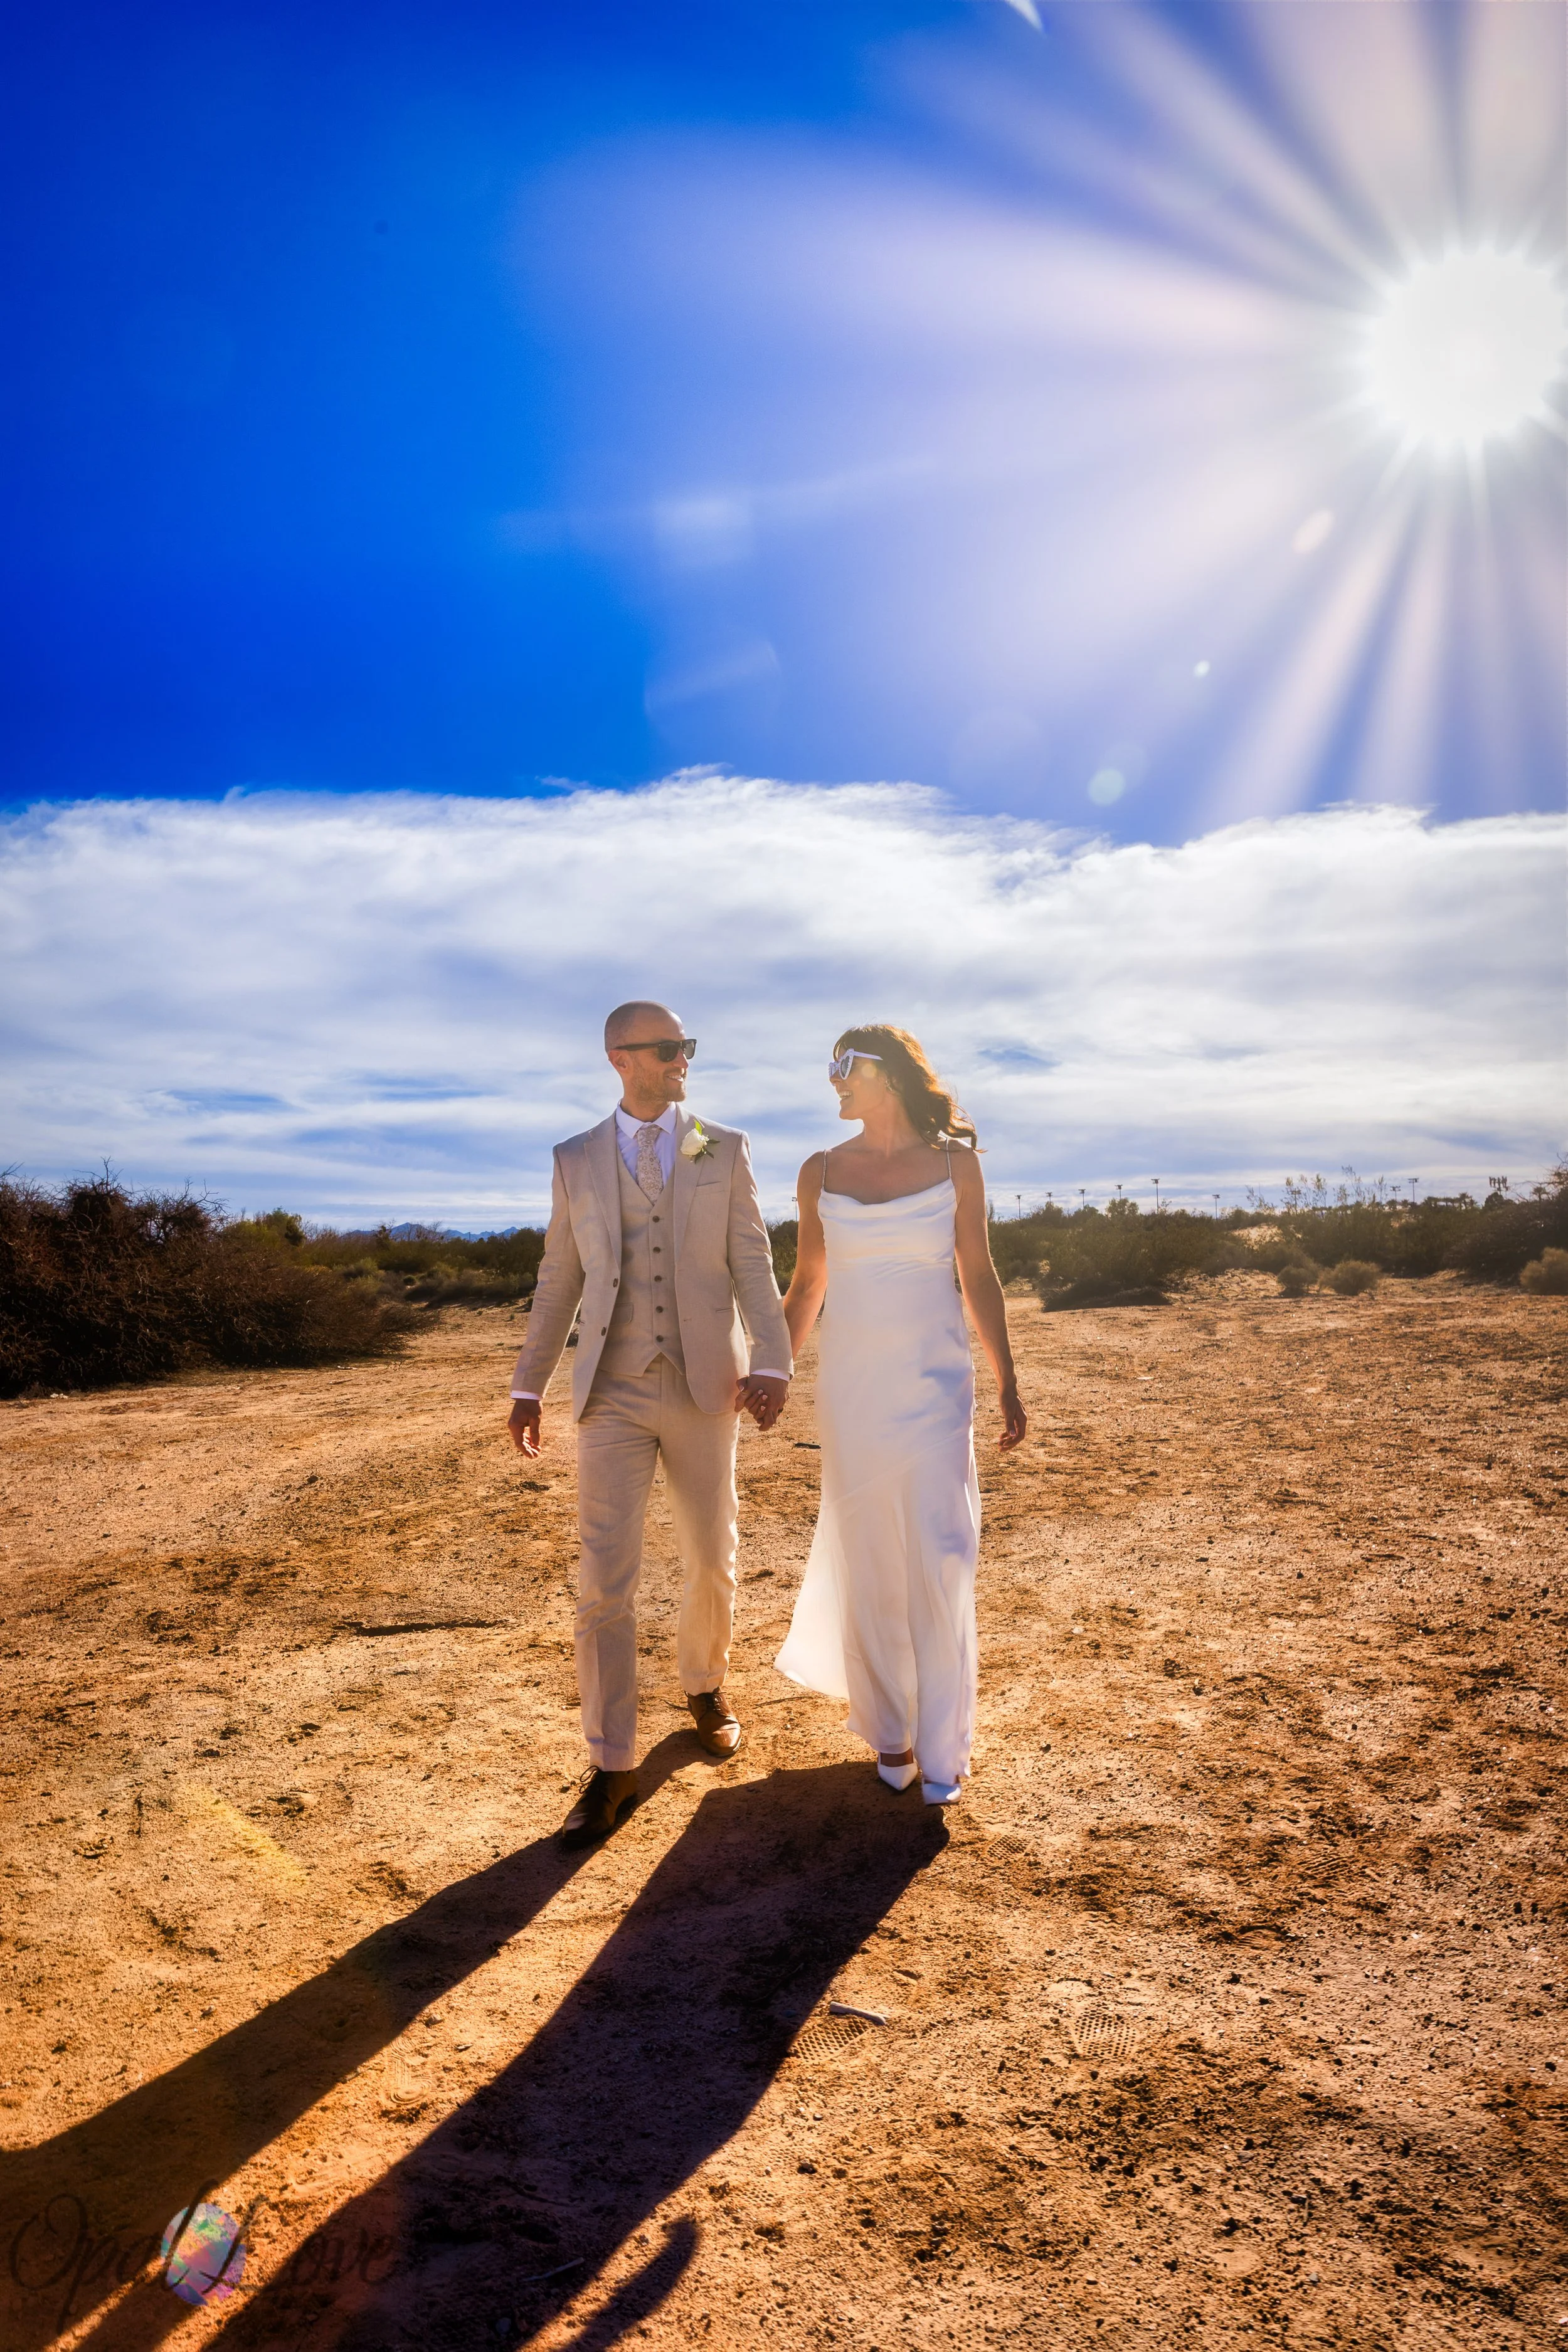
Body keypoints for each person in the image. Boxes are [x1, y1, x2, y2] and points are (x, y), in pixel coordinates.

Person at [508, 1002, 792, 1848]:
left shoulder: (724, 1146)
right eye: (670, 1049)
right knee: (605, 1577)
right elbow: (559, 1277)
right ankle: (613, 1760)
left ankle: (704, 1684)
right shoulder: (574, 1158)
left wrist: (771, 1361)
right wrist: (529, 1383)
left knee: (712, 1550)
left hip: (709, 1382)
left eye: (687, 1048)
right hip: (613, 1390)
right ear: (620, 1058)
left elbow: (753, 1258)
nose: (684, 1060)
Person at [775, 1025, 1025, 1805]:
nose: (834, 1082)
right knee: (872, 1551)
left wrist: (1007, 1378)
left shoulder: (958, 1166)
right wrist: (770, 1369)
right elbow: (806, 1284)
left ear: (888, 1074)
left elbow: (977, 1276)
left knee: (942, 1553)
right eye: (830, 1068)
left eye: (846, 1067)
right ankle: (893, 1733)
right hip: (855, 1390)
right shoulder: (819, 1171)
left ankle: (945, 1747)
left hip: (935, 1384)